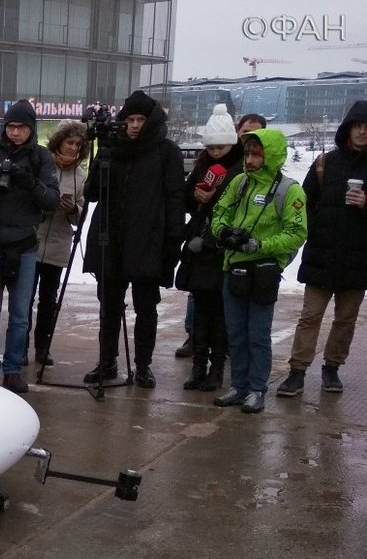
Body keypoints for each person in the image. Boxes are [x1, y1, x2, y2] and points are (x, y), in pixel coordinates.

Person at [82, 90, 185, 388]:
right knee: (109, 306)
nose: (135, 125)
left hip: (148, 240)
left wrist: (172, 240)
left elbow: (175, 198)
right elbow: (91, 193)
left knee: (146, 307)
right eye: (130, 119)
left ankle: (143, 365)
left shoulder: (166, 151)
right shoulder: (113, 148)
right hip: (110, 240)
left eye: (141, 119)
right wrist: (103, 154)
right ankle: (107, 361)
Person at [210, 128, 307, 413]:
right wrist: (224, 233)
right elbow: (219, 212)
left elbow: (296, 233)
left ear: (271, 155)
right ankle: (238, 386)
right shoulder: (239, 182)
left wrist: (259, 245)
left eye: (257, 153)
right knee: (235, 333)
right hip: (234, 268)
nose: (250, 159)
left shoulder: (290, 190)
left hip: (263, 270)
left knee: (258, 334)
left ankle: (256, 389)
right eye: (248, 152)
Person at [277, 101, 367, 397]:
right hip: (322, 255)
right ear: (348, 129)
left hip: (358, 258)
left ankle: (332, 367)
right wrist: (313, 230)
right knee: (310, 316)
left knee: (345, 320)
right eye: (357, 126)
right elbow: (303, 204)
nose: (362, 132)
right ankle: (297, 371)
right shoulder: (325, 163)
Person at [0, 100, 58, 391]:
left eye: (21, 127)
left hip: (24, 246)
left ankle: (13, 369)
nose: (15, 133)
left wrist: (29, 182)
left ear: (31, 129)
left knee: (20, 315)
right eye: (11, 126)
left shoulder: (41, 157)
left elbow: (52, 201)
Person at [176, 104, 244, 392]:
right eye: (212, 147)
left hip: (223, 249)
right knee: (201, 312)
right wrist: (196, 197)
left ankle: (216, 370)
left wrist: (215, 198)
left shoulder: (240, 171)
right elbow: (187, 200)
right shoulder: (204, 166)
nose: (216, 152)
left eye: (222, 147)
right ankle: (197, 368)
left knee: (220, 315)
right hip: (200, 246)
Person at [29, 119, 87, 368]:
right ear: (58, 142)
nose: (73, 147)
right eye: (69, 142)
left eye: (77, 144)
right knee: (25, 298)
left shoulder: (80, 176)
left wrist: (73, 208)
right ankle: (19, 346)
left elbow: (81, 216)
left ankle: (43, 347)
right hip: (32, 241)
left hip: (58, 243)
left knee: (48, 300)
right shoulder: (42, 165)